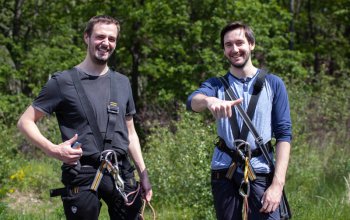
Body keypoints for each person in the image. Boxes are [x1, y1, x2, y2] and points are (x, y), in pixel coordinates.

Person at [17, 15, 152, 220]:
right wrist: (53, 149)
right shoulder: (62, 82)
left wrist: (143, 174)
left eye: (111, 39)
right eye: (100, 37)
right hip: (83, 171)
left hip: (120, 171)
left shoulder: (122, 83)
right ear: (86, 37)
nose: (106, 43)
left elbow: (131, 133)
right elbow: (25, 121)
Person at [186, 21, 292, 220]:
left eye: (239, 43)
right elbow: (192, 101)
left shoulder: (273, 84)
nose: (234, 49)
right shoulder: (216, 85)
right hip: (224, 172)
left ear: (251, 44)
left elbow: (284, 135)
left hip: (261, 171)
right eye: (228, 45)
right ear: (224, 50)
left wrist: (277, 185)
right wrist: (208, 101)